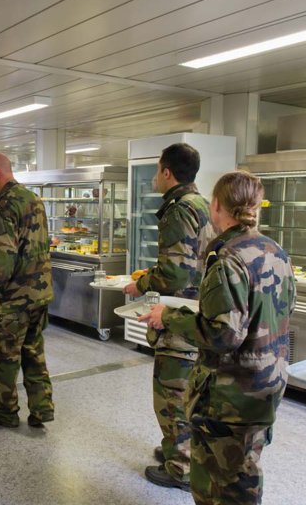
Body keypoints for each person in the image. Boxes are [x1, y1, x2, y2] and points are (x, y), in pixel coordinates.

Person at [140, 170, 296, 505]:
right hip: (268, 382)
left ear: (216, 205)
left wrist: (168, 317)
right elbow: (284, 310)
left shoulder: (228, 258)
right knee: (244, 470)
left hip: (231, 393)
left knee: (218, 484)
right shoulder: (276, 251)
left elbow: (222, 334)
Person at [122, 142, 213, 491]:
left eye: (157, 172)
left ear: (166, 171)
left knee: (171, 392)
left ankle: (181, 467)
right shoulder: (202, 204)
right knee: (191, 389)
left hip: (178, 315)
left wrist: (140, 283)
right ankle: (178, 448)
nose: (154, 180)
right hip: (199, 312)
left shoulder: (177, 210)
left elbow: (175, 275)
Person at [0, 152, 54, 429]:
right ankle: (42, 409)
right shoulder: (34, 200)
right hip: (39, 294)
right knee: (33, 351)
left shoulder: (3, 207)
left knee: (3, 356)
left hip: (14, 298)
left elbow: (2, 263)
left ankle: (4, 412)